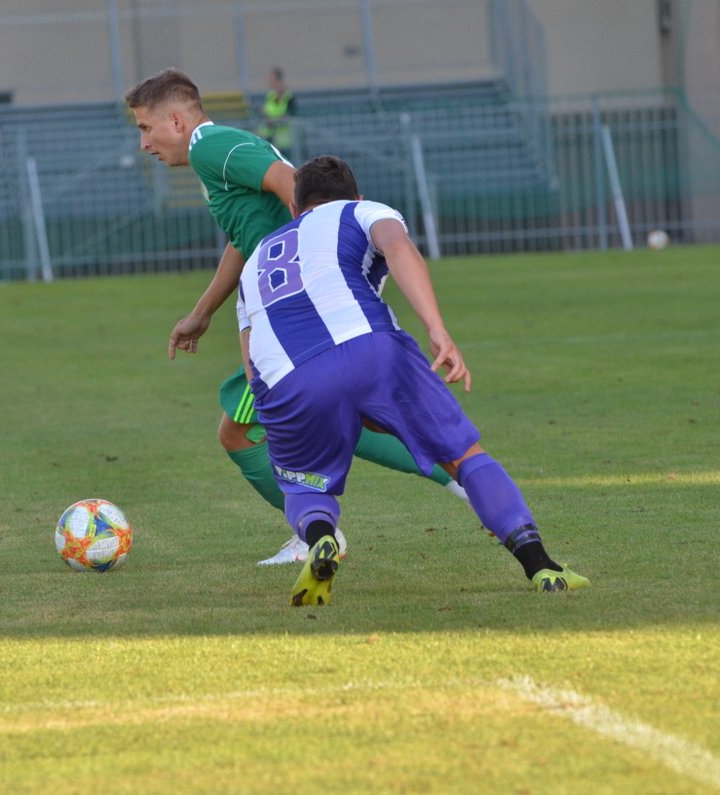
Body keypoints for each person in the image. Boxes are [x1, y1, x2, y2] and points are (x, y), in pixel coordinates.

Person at [124, 69, 467, 565]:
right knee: (325, 412)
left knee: (256, 425)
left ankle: (327, 530)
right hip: (276, 299)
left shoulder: (209, 146)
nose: (143, 144)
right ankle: (449, 478)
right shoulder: (212, 158)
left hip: (285, 307)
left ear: (175, 120)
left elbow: (290, 183)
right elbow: (244, 239)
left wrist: (313, 261)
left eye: (144, 128)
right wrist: (202, 312)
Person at [236, 155, 591, 605]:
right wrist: (437, 327)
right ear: (356, 196)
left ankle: (322, 537)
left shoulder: (256, 262)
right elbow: (398, 247)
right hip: (371, 348)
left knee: (303, 484)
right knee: (463, 456)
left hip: (286, 379)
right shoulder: (363, 211)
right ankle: (541, 566)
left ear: (294, 209)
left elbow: (249, 352)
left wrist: (279, 411)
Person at [256, 67, 296, 157]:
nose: (269, 82)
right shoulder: (270, 95)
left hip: (283, 139)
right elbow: (265, 110)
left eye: (271, 79)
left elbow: (290, 115)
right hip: (269, 136)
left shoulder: (288, 96)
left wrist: (274, 120)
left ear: (278, 80)